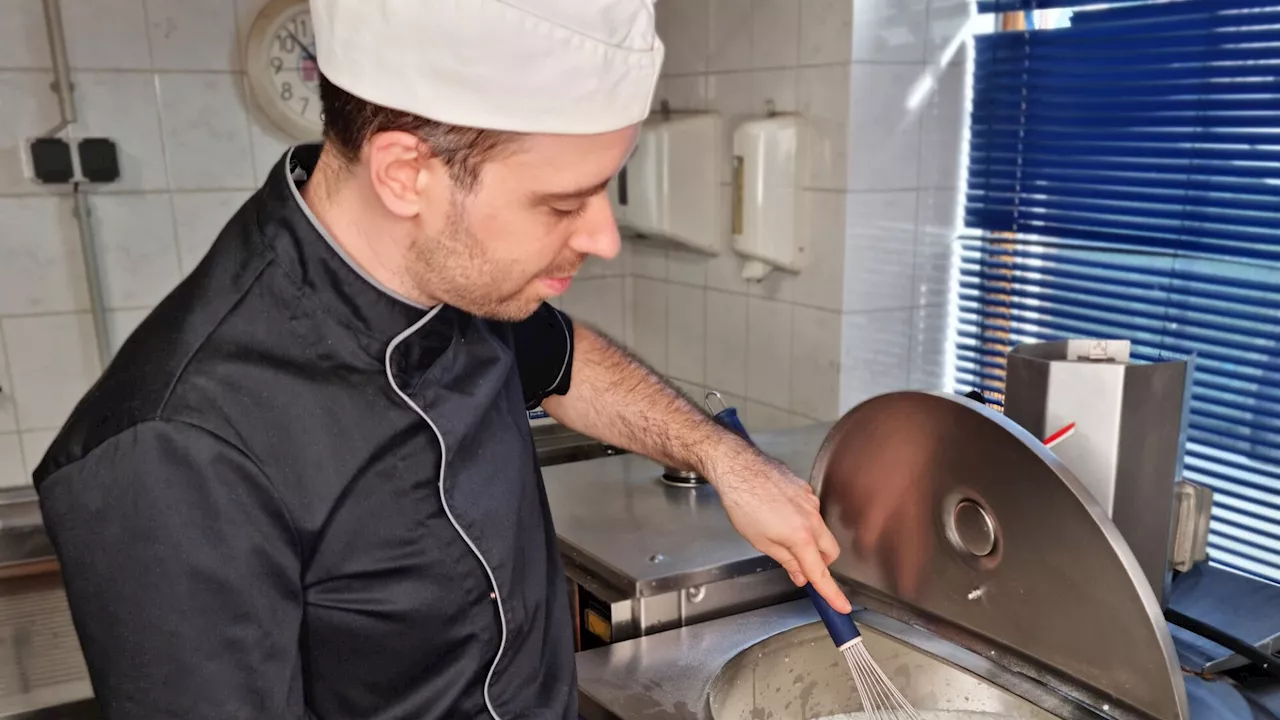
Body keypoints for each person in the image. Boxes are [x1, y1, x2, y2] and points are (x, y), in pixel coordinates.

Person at [33, 1, 851, 718]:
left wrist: (723, 456)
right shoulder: (171, 447)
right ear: (405, 174)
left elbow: (564, 363)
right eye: (563, 203)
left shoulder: (459, 278)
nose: (603, 237)